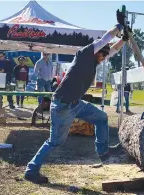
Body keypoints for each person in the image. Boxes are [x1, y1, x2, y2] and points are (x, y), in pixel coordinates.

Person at [24, 11, 129, 184]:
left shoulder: (96, 59)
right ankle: (31, 170)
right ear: (96, 52)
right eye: (102, 55)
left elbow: (114, 49)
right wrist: (119, 26)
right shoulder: (84, 54)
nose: (103, 59)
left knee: (102, 118)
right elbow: (105, 39)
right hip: (62, 106)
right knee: (55, 142)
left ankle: (104, 153)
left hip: (76, 104)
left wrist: (124, 38)